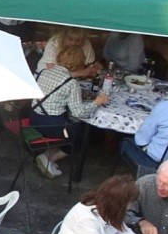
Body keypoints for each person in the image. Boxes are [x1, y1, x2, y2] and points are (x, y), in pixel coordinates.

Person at [29, 43, 110, 179]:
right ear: (78, 64)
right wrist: (97, 102)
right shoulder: (71, 83)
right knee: (80, 135)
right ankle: (49, 159)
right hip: (51, 125)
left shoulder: (44, 71)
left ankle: (47, 154)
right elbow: (79, 112)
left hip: (33, 117)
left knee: (70, 125)